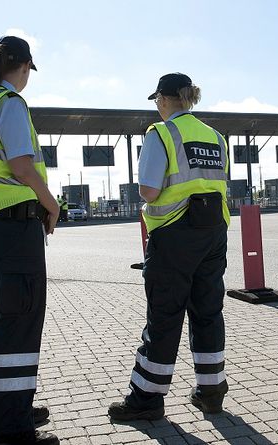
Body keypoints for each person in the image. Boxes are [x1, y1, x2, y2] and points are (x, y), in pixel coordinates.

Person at [108, 73, 230, 421]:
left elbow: (148, 190)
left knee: (164, 316)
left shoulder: (160, 133)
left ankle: (147, 398)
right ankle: (211, 391)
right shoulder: (215, 137)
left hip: (175, 233)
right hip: (213, 232)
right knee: (207, 311)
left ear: (163, 99)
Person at [0, 35, 59, 445]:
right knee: (19, 322)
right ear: (22, 67)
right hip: (15, 225)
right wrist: (50, 203)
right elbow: (22, 164)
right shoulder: (10, 104)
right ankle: (14, 428)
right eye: (27, 72)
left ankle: (7, 407)